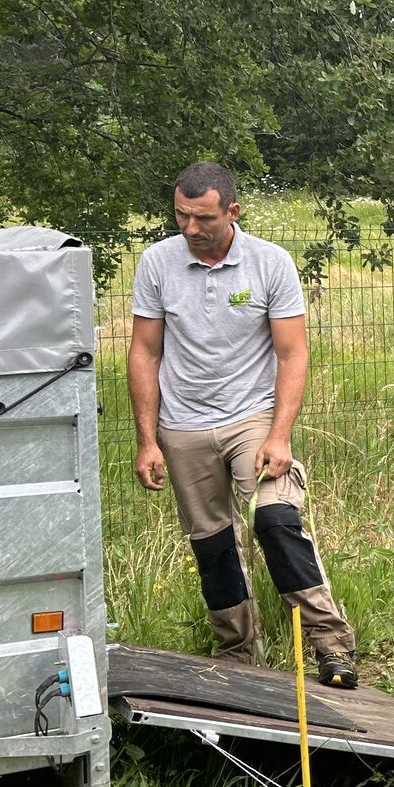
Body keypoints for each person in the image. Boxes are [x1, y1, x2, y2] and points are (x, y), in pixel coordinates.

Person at [127, 161, 359, 687]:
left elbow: (292, 353)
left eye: (202, 218)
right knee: (213, 545)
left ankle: (330, 644)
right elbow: (144, 353)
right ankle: (236, 654)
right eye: (181, 216)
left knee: (277, 522)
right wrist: (147, 440)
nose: (190, 229)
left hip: (251, 417)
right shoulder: (157, 263)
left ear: (232, 211)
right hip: (182, 425)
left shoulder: (269, 264)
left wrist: (279, 434)